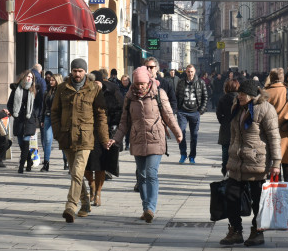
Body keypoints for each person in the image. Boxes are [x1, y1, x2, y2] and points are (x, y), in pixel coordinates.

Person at [109, 66, 183, 223]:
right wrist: (116, 138)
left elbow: (169, 115)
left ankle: (151, 208)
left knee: (151, 173)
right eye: (137, 84)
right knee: (141, 176)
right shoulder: (129, 97)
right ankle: (145, 207)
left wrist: (178, 133)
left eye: (143, 83)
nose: (140, 87)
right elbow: (124, 121)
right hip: (137, 139)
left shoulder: (158, 94)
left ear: (149, 81)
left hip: (156, 138)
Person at [219, 79, 281, 247]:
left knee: (257, 199)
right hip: (237, 162)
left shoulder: (265, 109)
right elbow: (233, 136)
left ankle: (257, 231)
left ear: (252, 96)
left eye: (242, 94)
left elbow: (274, 138)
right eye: (239, 93)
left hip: (257, 162)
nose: (239, 96)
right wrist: (228, 158)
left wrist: (276, 162)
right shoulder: (237, 108)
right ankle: (236, 231)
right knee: (231, 196)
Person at [51, 58, 110, 223]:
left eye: (80, 71)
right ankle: (85, 203)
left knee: (77, 172)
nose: (77, 74)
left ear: (85, 72)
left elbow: (100, 115)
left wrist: (105, 139)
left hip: (85, 137)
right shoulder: (62, 88)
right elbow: (55, 112)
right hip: (66, 136)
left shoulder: (94, 89)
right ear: (71, 71)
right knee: (74, 173)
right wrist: (57, 132)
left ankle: (70, 206)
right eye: (75, 71)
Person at [83, 69, 124, 208]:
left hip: (104, 133)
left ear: (102, 82)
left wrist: (114, 128)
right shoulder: (85, 93)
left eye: (97, 83)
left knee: (100, 165)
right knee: (86, 166)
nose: (95, 85)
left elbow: (119, 110)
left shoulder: (110, 93)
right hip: (87, 132)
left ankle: (98, 193)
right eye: (92, 82)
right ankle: (92, 185)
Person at [264, 67, 288, 184]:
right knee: (287, 160)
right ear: (282, 78)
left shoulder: (265, 93)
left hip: (270, 132)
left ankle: (276, 184)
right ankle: (286, 184)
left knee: (274, 160)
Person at [7, 70, 42, 174]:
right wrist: (14, 114)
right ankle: (29, 161)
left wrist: (34, 115)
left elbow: (38, 105)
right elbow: (10, 104)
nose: (29, 79)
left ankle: (21, 166)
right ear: (23, 77)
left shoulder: (34, 90)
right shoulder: (16, 89)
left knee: (26, 143)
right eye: (28, 77)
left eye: (31, 78)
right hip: (18, 119)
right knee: (21, 144)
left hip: (29, 119)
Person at [175, 64, 208, 164]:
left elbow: (205, 97)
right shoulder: (181, 82)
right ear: (186, 72)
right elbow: (176, 96)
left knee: (194, 135)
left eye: (192, 71)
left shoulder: (200, 82)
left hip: (195, 112)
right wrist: (177, 109)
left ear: (195, 72)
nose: (190, 73)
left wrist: (201, 110)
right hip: (182, 112)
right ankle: (183, 154)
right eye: (188, 71)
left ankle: (192, 156)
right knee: (181, 132)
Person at [215, 78, 239, 175]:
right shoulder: (240, 98)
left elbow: (218, 113)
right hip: (237, 125)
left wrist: (223, 121)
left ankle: (225, 166)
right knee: (236, 147)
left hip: (225, 126)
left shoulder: (222, 98)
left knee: (225, 148)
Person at [42, 74, 63, 171]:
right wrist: (42, 119)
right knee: (47, 141)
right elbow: (44, 107)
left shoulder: (62, 92)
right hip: (47, 117)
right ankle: (46, 164)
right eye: (50, 80)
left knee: (61, 140)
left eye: (53, 80)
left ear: (57, 81)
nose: (51, 82)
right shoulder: (47, 92)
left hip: (58, 118)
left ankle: (66, 161)